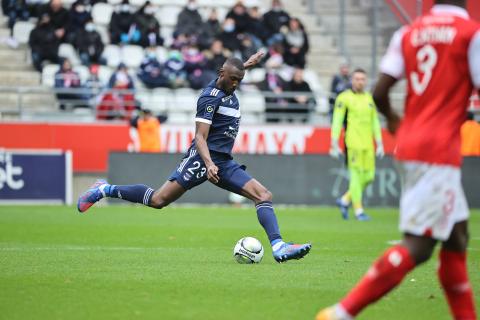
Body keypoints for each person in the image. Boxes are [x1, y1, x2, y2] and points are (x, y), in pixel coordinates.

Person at [316, 1, 479, 319]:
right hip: (439, 150)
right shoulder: (470, 34)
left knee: (457, 238)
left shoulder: (409, 33)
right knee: (419, 246)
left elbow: (380, 92)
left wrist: (393, 119)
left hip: (411, 143)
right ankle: (340, 313)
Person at [77, 52, 312, 263]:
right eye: (233, 79)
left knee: (263, 195)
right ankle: (104, 189)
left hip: (223, 161)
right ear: (222, 74)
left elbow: (235, 71)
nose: (235, 84)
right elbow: (200, 137)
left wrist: (249, 63)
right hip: (202, 159)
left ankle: (279, 246)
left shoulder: (229, 82)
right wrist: (208, 164)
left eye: (239, 80)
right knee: (159, 200)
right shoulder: (209, 98)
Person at [329, 68, 383, 221]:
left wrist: (379, 143)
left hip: (368, 144)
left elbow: (375, 122)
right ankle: (359, 211)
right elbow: (337, 121)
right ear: (352, 80)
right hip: (352, 143)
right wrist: (334, 142)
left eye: (362, 79)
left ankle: (345, 200)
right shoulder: (344, 98)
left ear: (365, 81)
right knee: (355, 177)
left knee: (369, 177)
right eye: (357, 79)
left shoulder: (369, 99)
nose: (360, 82)